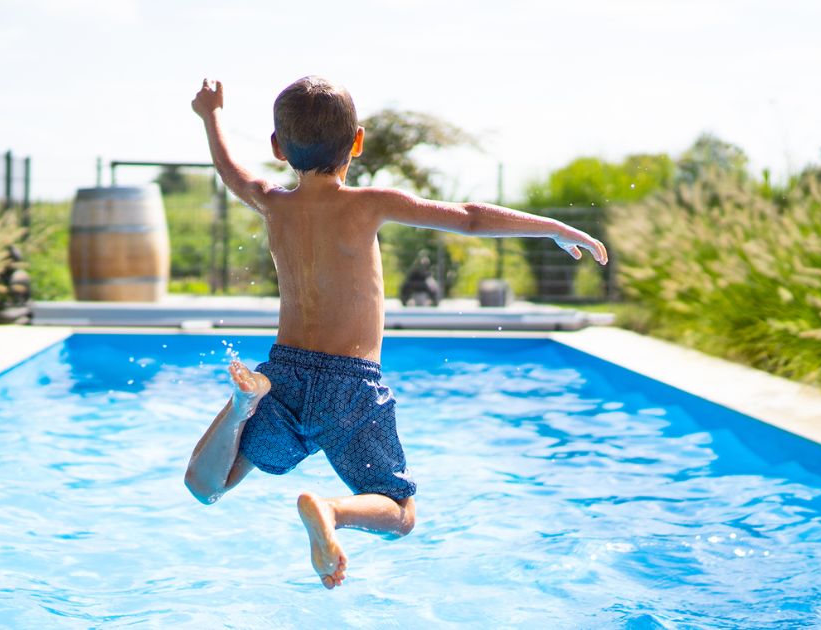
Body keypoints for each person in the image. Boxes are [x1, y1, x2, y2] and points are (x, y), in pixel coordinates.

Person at [183, 76, 607, 590]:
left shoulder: (273, 202)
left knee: (208, 486)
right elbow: (470, 218)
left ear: (277, 147)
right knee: (401, 513)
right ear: (357, 142)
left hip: (284, 375)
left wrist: (211, 115)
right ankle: (331, 510)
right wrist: (553, 227)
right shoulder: (368, 203)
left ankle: (239, 407)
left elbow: (231, 172)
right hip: (350, 385)